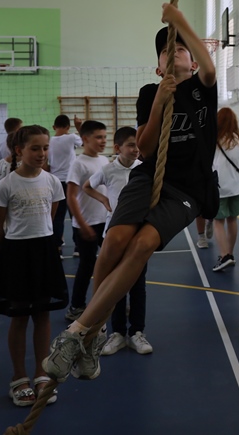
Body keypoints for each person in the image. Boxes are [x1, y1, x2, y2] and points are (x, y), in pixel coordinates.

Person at [42, 4, 216, 383]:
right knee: (116, 240)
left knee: (142, 245)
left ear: (192, 60)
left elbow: (209, 67)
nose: (175, 54)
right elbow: (146, 149)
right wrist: (159, 104)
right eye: (167, 52)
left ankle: (79, 333)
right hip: (149, 176)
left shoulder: (203, 90)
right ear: (157, 67)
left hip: (187, 189)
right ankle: (94, 334)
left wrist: (179, 22)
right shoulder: (149, 92)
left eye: (181, 50)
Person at [0, 125, 68, 407]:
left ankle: (42, 374)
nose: (42, 153)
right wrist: (8, 256)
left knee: (42, 315)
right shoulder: (6, 185)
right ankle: (19, 378)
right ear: (19, 150)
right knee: (19, 317)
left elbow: (51, 216)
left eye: (45, 148)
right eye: (35, 148)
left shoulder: (52, 182)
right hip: (16, 252)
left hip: (44, 252)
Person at [81, 127, 153, 356]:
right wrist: (104, 200)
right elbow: (87, 186)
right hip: (113, 235)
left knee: (137, 285)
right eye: (131, 145)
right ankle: (118, 333)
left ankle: (137, 332)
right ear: (118, 148)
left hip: (137, 236)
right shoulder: (108, 170)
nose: (136, 149)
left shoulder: (144, 169)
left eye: (138, 145)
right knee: (115, 286)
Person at [64, 120, 109, 321]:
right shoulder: (78, 164)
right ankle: (76, 306)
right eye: (98, 137)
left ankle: (109, 301)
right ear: (85, 139)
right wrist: (82, 224)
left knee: (112, 263)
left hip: (106, 222)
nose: (103, 141)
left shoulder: (105, 161)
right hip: (87, 224)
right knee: (87, 266)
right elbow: (71, 197)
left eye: (105, 137)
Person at [211, 107, 239, 272]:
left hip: (219, 188)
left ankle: (224, 256)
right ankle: (230, 253)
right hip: (237, 188)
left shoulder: (213, 139)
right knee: (232, 220)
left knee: (218, 221)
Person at [47, 114, 82, 255]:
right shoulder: (72, 137)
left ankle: (57, 248)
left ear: (53, 127)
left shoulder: (49, 141)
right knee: (75, 214)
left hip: (55, 181)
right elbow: (86, 141)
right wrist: (79, 127)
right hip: (71, 181)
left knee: (57, 216)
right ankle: (78, 247)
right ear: (68, 127)